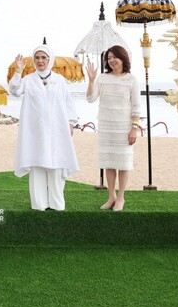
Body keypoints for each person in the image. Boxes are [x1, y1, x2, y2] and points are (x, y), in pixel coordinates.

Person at [8, 44, 79, 211]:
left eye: (43, 57)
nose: (40, 61)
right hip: (35, 131)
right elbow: (14, 90)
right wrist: (18, 71)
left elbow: (68, 103)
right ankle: (39, 204)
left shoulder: (59, 80)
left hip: (57, 130)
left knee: (56, 163)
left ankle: (56, 204)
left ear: (49, 59)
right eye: (37, 58)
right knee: (37, 164)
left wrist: (71, 122)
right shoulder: (28, 79)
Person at [86, 45, 140, 212]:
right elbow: (90, 98)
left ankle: (121, 198)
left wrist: (134, 128)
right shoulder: (102, 78)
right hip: (106, 126)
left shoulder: (131, 80)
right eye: (109, 57)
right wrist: (92, 80)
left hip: (123, 127)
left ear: (123, 58)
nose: (111, 60)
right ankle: (111, 197)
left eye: (114, 57)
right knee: (109, 162)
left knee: (123, 163)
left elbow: (136, 106)